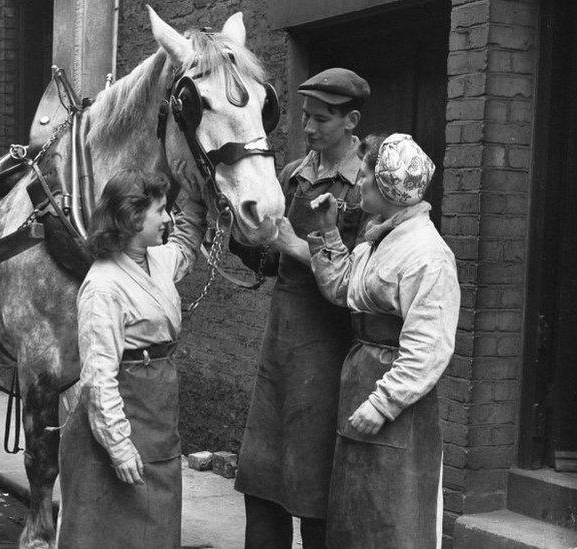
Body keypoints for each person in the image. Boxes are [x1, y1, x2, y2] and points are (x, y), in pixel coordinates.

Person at [230, 67, 371, 548]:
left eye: (322, 120)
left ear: (351, 120)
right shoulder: (293, 176)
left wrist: (294, 247)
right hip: (279, 350)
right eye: (306, 116)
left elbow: (361, 280)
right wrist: (241, 236)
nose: (309, 129)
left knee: (315, 485)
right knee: (263, 479)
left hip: (328, 350)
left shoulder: (365, 190)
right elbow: (270, 262)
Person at [309, 133, 458, 548]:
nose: (359, 183)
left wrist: (383, 403)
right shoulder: (380, 236)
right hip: (359, 379)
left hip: (396, 402)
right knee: (356, 512)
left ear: (390, 187)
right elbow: (344, 292)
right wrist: (327, 230)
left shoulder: (427, 255)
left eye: (367, 177)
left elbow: (428, 347)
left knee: (394, 516)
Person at [57, 169, 206, 548]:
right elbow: (97, 378)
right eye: (161, 211)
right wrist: (119, 447)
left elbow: (186, 246)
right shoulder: (103, 286)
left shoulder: (157, 260)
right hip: (118, 423)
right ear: (133, 217)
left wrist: (198, 196)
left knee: (155, 529)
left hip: (157, 421)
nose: (168, 219)